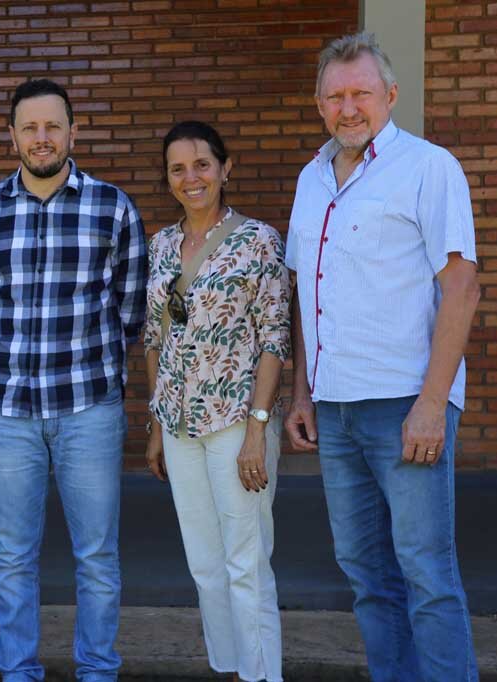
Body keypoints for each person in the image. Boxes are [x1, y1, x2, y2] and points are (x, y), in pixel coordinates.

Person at [284, 32, 481, 681]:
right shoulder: (311, 180)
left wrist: (432, 403)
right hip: (335, 411)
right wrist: (302, 395)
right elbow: (306, 293)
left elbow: (461, 286)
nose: (348, 107)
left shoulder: (429, 168)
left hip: (405, 406)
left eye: (361, 93)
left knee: (426, 572)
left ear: (390, 96)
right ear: (319, 104)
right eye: (335, 96)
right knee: (366, 575)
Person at [0, 78, 147, 681]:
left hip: (89, 407)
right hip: (10, 410)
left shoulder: (114, 207)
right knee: (13, 557)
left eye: (53, 126)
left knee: (96, 555)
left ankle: (97, 671)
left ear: (73, 131)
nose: (42, 138)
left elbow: (130, 309)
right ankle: (18, 671)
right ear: (11, 135)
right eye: (29, 127)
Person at [144, 121, 290, 682]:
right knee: (205, 566)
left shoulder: (258, 240)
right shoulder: (161, 244)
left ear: (225, 169)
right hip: (179, 425)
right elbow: (156, 339)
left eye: (202, 164)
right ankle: (230, 670)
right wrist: (157, 425)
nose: (191, 177)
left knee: (246, 565)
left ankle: (263, 676)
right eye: (178, 168)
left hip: (236, 422)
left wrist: (257, 429)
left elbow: (276, 338)